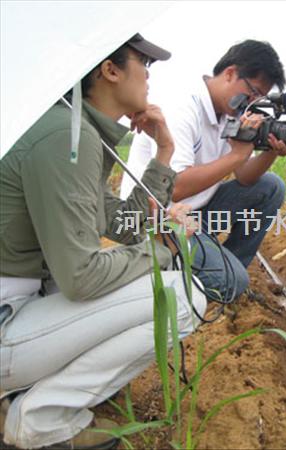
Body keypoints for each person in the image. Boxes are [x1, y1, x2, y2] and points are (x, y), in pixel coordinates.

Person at [0, 34, 206, 449]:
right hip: (8, 318)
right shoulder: (65, 139)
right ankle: (39, 420)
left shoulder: (74, 131)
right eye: (144, 62)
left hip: (21, 304)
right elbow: (81, 276)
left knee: (144, 275)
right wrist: (162, 251)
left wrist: (164, 153)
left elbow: (126, 225)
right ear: (109, 70)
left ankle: (29, 394)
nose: (149, 75)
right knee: (185, 297)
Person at [120, 39, 286, 302]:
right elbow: (175, 186)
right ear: (231, 73)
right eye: (252, 92)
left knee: (271, 187)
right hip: (156, 220)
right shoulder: (183, 107)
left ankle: (224, 267)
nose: (252, 102)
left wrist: (270, 152)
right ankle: (186, 274)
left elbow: (245, 177)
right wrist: (237, 154)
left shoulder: (232, 113)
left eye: (259, 97)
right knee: (232, 282)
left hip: (195, 215)